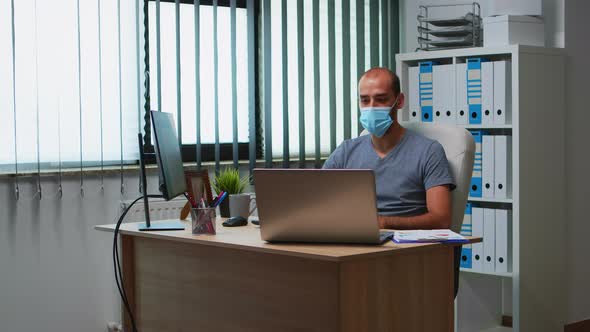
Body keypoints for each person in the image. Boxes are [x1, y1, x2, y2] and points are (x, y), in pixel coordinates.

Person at [323, 67, 455, 230]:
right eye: (365, 100)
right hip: (354, 238)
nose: (371, 107)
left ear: (399, 101)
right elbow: (318, 202)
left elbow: (441, 220)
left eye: (381, 99)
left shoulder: (429, 151)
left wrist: (385, 223)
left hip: (405, 246)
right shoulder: (346, 151)